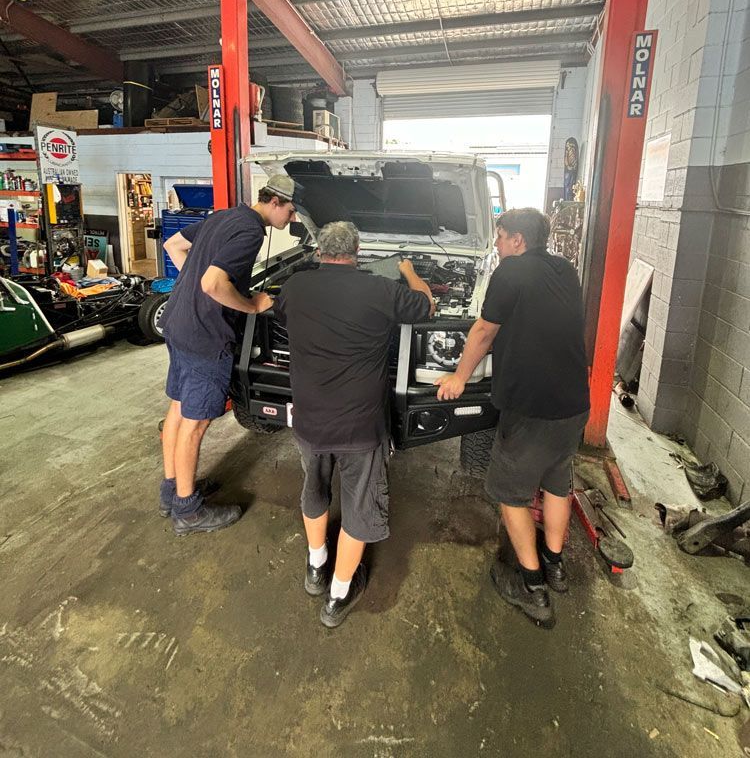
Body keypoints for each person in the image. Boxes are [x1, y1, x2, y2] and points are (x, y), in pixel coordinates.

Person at [435, 208, 589, 629]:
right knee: (558, 481)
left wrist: (458, 378)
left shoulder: (510, 273)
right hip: (574, 403)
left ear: (518, 240)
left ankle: (532, 584)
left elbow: (483, 332)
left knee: (510, 494)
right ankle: (555, 566)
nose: (498, 244)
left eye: (501, 236)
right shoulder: (565, 270)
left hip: (531, 410)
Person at [275, 221, 434, 628]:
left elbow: (280, 315)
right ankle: (338, 596)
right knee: (360, 507)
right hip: (360, 428)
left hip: (309, 421)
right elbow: (426, 306)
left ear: (319, 251)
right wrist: (409, 271)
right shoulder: (380, 291)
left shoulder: (295, 287)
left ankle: (316, 567)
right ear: (357, 251)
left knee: (314, 490)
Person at [158, 174, 298, 535]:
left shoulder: (222, 216)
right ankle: (187, 511)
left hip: (178, 323)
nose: (293, 220)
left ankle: (173, 489)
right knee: (197, 421)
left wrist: (189, 291)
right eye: (292, 211)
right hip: (206, 337)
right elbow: (212, 283)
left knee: (177, 407)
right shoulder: (251, 232)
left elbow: (173, 245)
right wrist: (251, 304)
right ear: (275, 203)